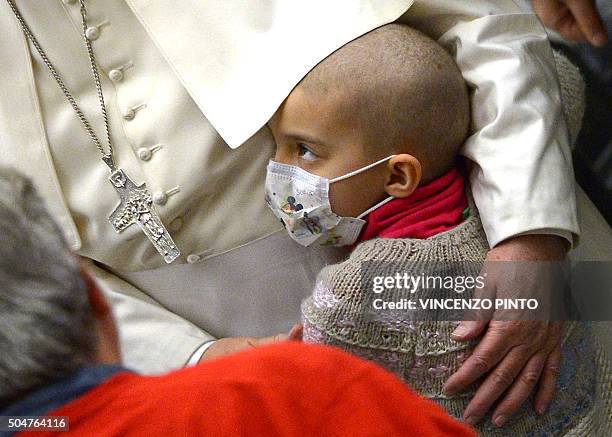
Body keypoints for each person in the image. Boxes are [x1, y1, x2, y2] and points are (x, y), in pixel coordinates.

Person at [1, 0, 611, 424]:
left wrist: (529, 236)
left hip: (486, 267)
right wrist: (193, 359)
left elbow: (480, 22)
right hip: (197, 376)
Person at [264, 24, 610, 434]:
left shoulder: (358, 288)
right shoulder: (500, 191)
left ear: (398, 175)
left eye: (303, 151)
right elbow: (563, 81)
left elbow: (303, 390)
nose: (278, 169)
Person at [0, 166, 477, 437]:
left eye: (303, 150)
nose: (283, 170)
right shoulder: (298, 388)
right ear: (96, 299)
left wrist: (535, 254)